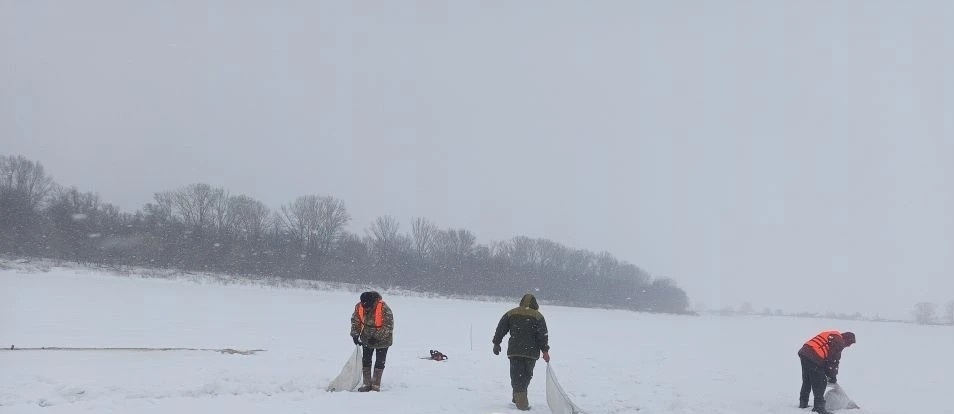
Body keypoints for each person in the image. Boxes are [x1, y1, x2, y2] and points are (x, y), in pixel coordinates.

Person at [492, 293, 550, 411]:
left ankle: (517, 397)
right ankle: (522, 405)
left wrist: (496, 343)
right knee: (526, 376)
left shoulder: (511, 313)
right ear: (535, 303)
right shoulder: (538, 316)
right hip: (531, 353)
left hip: (515, 351)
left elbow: (501, 329)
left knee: (517, 376)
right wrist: (545, 351)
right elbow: (542, 336)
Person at [797, 330, 856, 413]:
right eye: (849, 343)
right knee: (821, 382)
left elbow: (827, 359)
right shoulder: (839, 342)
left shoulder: (833, 334)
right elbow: (833, 361)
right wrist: (832, 377)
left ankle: (803, 403)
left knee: (807, 380)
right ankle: (819, 408)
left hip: (805, 352)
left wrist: (829, 373)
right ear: (845, 339)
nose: (848, 346)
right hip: (814, 356)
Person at [350, 291, 394, 392]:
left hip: (383, 339)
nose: (366, 309)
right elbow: (355, 321)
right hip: (366, 337)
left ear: (373, 302)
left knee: (379, 362)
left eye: (368, 307)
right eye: (364, 306)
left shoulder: (384, 308)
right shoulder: (359, 307)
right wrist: (355, 335)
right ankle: (366, 384)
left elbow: (388, 326)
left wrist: (376, 337)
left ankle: (375, 385)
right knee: (366, 361)